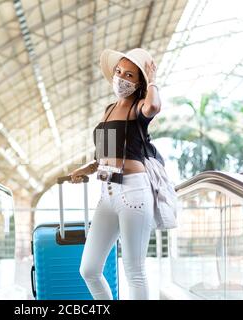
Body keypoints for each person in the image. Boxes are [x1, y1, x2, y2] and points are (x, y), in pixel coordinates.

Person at [68, 48, 161, 300]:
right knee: (89, 269)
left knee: (134, 270)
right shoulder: (109, 109)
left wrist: (152, 80)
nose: (120, 78)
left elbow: (153, 105)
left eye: (129, 75)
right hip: (107, 192)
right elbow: (105, 156)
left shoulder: (139, 107)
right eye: (118, 71)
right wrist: (86, 169)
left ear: (139, 81)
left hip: (133, 190)